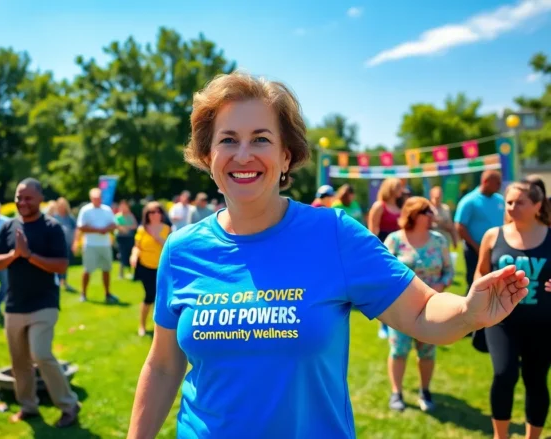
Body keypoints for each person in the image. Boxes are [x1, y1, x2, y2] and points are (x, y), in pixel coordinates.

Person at [126, 71, 530, 439]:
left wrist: (468, 312)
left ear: (286, 156)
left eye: (261, 139)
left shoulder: (332, 234)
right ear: (208, 156)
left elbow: (421, 312)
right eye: (228, 139)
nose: (243, 154)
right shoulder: (181, 250)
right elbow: (162, 366)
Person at [0, 178, 81, 428]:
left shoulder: (52, 228)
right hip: (14, 305)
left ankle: (69, 405)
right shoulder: (8, 227)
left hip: (44, 303)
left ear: (40, 198)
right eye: (19, 197)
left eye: (28, 197)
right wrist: (14, 255)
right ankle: (28, 407)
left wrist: (29, 256)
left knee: (40, 353)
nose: (22, 202)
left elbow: (61, 265)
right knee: (19, 361)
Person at [475, 181, 551, 439]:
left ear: (538, 205)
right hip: (502, 321)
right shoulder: (493, 235)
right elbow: (481, 273)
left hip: (543, 323)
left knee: (536, 380)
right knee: (503, 374)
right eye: (509, 202)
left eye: (520, 202)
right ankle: (501, 436)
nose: (512, 207)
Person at [383, 197, 454, 412]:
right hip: (400, 309)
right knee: (398, 351)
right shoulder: (394, 240)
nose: (433, 216)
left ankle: (425, 391)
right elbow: (382, 272)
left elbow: (449, 271)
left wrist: (441, 285)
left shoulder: (439, 241)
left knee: (427, 352)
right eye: (427, 212)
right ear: (413, 215)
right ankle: (396, 392)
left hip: (431, 308)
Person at [454, 170, 505, 292]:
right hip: (474, 249)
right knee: (476, 282)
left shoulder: (500, 200)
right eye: (497, 183)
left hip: (497, 248)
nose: (500, 185)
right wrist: (476, 246)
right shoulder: (469, 201)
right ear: (485, 182)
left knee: (497, 281)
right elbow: (460, 226)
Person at [368, 178, 403, 339]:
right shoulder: (379, 206)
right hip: (383, 251)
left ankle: (395, 322)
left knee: (397, 289)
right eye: (398, 187)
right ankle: (382, 324)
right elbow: (372, 232)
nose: (401, 190)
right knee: (382, 289)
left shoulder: (400, 206)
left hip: (399, 252)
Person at [129, 201, 171, 337]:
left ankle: (160, 326)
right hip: (145, 266)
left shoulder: (167, 229)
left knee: (162, 297)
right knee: (149, 295)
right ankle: (142, 325)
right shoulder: (142, 229)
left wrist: (157, 237)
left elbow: (169, 246)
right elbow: (137, 246)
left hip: (162, 268)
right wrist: (134, 256)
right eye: (152, 212)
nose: (155, 214)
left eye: (158, 211)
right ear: (147, 214)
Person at [74, 188, 118, 303]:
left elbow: (113, 224)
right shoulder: (85, 210)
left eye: (99, 198)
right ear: (91, 198)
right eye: (95, 198)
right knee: (87, 270)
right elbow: (81, 227)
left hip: (105, 244)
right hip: (90, 245)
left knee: (106, 269)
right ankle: (83, 294)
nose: (97, 200)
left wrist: (106, 229)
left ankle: (107, 294)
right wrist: (98, 230)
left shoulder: (107, 209)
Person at [50, 197, 78, 292]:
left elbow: (76, 229)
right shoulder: (54, 217)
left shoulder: (70, 217)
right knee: (56, 262)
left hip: (67, 244)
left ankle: (64, 281)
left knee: (65, 262)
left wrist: (75, 242)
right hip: (55, 244)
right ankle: (56, 280)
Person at [114, 200, 138, 280]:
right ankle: (121, 274)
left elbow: (135, 225)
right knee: (122, 255)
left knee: (131, 254)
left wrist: (126, 227)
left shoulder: (130, 216)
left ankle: (132, 273)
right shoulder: (118, 216)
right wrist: (127, 228)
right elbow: (117, 226)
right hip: (121, 239)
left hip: (130, 237)